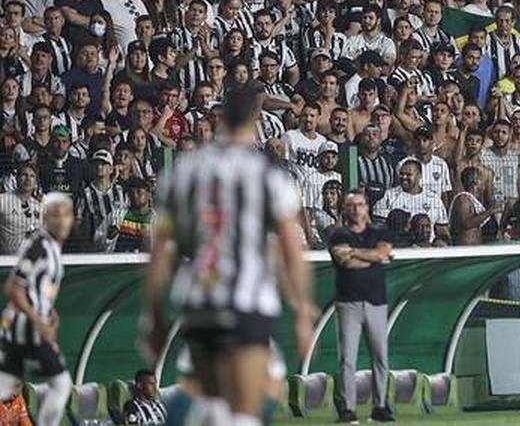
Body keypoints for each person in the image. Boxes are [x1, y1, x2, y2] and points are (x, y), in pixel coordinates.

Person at [143, 85, 316, 426]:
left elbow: (160, 249)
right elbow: (291, 249)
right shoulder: (268, 174)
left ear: (219, 118)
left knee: (205, 395)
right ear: (256, 118)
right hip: (247, 302)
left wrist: (153, 314)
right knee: (249, 407)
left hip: (199, 299)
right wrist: (301, 311)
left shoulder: (185, 170)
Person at [0, 193, 74, 426]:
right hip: (24, 328)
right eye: (56, 216)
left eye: (67, 215)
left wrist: (51, 314)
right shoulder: (39, 247)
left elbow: (38, 290)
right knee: (61, 385)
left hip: (26, 327)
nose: (62, 222)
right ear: (45, 218)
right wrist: (38, 320)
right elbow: (13, 287)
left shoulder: (53, 249)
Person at [327, 190, 394, 423]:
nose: (357, 210)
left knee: (380, 356)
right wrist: (373, 257)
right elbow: (345, 262)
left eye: (361, 204)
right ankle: (348, 408)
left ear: (367, 207)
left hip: (376, 301)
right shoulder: (338, 235)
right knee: (347, 358)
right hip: (348, 303)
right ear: (346, 210)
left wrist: (355, 252)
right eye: (352, 205)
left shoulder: (379, 231)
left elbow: (382, 253)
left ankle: (381, 406)